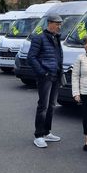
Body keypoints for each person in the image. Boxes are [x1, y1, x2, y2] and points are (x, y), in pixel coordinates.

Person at [27, 14, 64, 148]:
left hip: (55, 76)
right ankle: (38, 135)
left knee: (52, 105)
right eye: (57, 24)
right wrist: (43, 72)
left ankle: (47, 132)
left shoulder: (56, 38)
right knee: (43, 106)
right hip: (45, 77)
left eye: (60, 24)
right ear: (50, 23)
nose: (59, 27)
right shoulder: (39, 38)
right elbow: (31, 57)